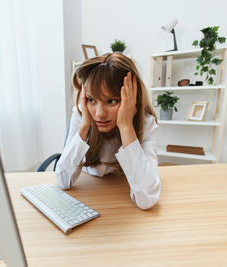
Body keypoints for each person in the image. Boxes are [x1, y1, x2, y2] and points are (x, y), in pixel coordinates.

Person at [55, 52, 161, 210]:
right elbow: (63, 181)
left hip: (117, 194)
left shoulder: (146, 122)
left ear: (132, 97)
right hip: (90, 194)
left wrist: (126, 126)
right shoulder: (81, 115)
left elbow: (146, 199)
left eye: (111, 101)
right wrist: (84, 127)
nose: (99, 114)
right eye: (91, 100)